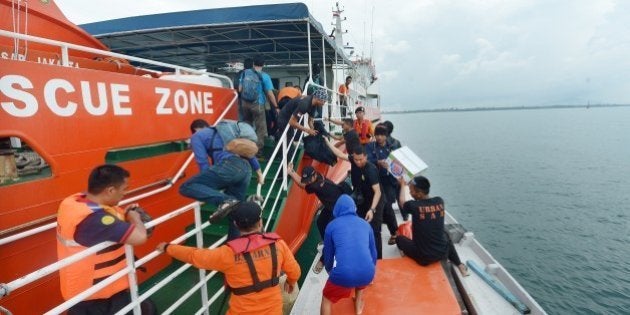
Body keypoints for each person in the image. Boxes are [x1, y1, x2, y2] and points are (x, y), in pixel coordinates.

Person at [157, 202, 301, 315]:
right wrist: (291, 281)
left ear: (236, 225)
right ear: (260, 222)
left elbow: (195, 256)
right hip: (273, 311)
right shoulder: (277, 244)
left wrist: (167, 248)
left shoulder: (227, 254)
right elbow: (295, 271)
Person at [56, 164, 156, 315]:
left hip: (85, 291)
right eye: (124, 189)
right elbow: (141, 237)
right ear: (110, 190)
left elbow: (110, 216)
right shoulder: (95, 219)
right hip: (95, 297)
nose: (125, 194)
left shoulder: (75, 202)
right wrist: (134, 217)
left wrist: (125, 214)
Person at [179, 119, 264, 239]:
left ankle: (227, 201)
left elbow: (202, 162)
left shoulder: (196, 137)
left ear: (195, 131)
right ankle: (236, 247)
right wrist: (259, 173)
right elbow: (247, 152)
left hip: (229, 166)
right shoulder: (225, 132)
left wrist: (206, 190)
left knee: (186, 187)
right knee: (236, 213)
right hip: (245, 170)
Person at [396, 176, 469, 276]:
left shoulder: (413, 206)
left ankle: (406, 256)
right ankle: (459, 264)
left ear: (420, 194)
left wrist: (402, 186)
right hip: (443, 253)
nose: (410, 193)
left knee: (399, 239)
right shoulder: (440, 201)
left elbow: (401, 202)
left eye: (411, 191)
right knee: (445, 234)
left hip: (424, 258)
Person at [325, 141, 385, 259]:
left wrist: (372, 210)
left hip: (375, 202)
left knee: (375, 231)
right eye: (356, 159)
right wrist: (327, 142)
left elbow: (377, 192)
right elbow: (340, 154)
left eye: (361, 159)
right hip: (361, 198)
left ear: (366, 157)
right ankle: (363, 249)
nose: (358, 162)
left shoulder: (370, 170)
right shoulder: (353, 160)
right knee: (360, 224)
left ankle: (378, 260)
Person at [321, 195, 376, 315]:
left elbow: (328, 255)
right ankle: (358, 308)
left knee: (326, 298)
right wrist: (372, 272)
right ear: (354, 208)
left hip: (344, 274)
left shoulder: (331, 226)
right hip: (367, 273)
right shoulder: (366, 225)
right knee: (361, 268)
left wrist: (330, 271)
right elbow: (373, 254)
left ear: (337, 209)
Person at [287, 163, 345, 273]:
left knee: (330, 233)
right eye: (307, 180)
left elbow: (301, 184)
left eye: (309, 180)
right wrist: (292, 171)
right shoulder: (317, 176)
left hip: (338, 208)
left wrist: (291, 172)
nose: (308, 182)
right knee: (320, 222)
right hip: (331, 205)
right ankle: (327, 245)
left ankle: (324, 259)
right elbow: (303, 181)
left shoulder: (317, 185)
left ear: (313, 176)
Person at [366, 125, 399, 245]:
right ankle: (376, 231)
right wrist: (377, 162)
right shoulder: (370, 146)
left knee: (387, 206)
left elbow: (399, 164)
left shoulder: (392, 147)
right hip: (374, 181)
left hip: (389, 182)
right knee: (375, 206)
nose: (379, 137)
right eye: (377, 135)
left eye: (382, 135)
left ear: (386, 136)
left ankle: (394, 232)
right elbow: (367, 159)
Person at [240, 55, 279, 152]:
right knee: (260, 128)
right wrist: (276, 106)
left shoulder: (244, 73)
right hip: (257, 104)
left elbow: (240, 89)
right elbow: (270, 94)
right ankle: (257, 150)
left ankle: (245, 146)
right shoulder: (265, 76)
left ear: (253, 63)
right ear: (263, 64)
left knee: (246, 124)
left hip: (245, 104)